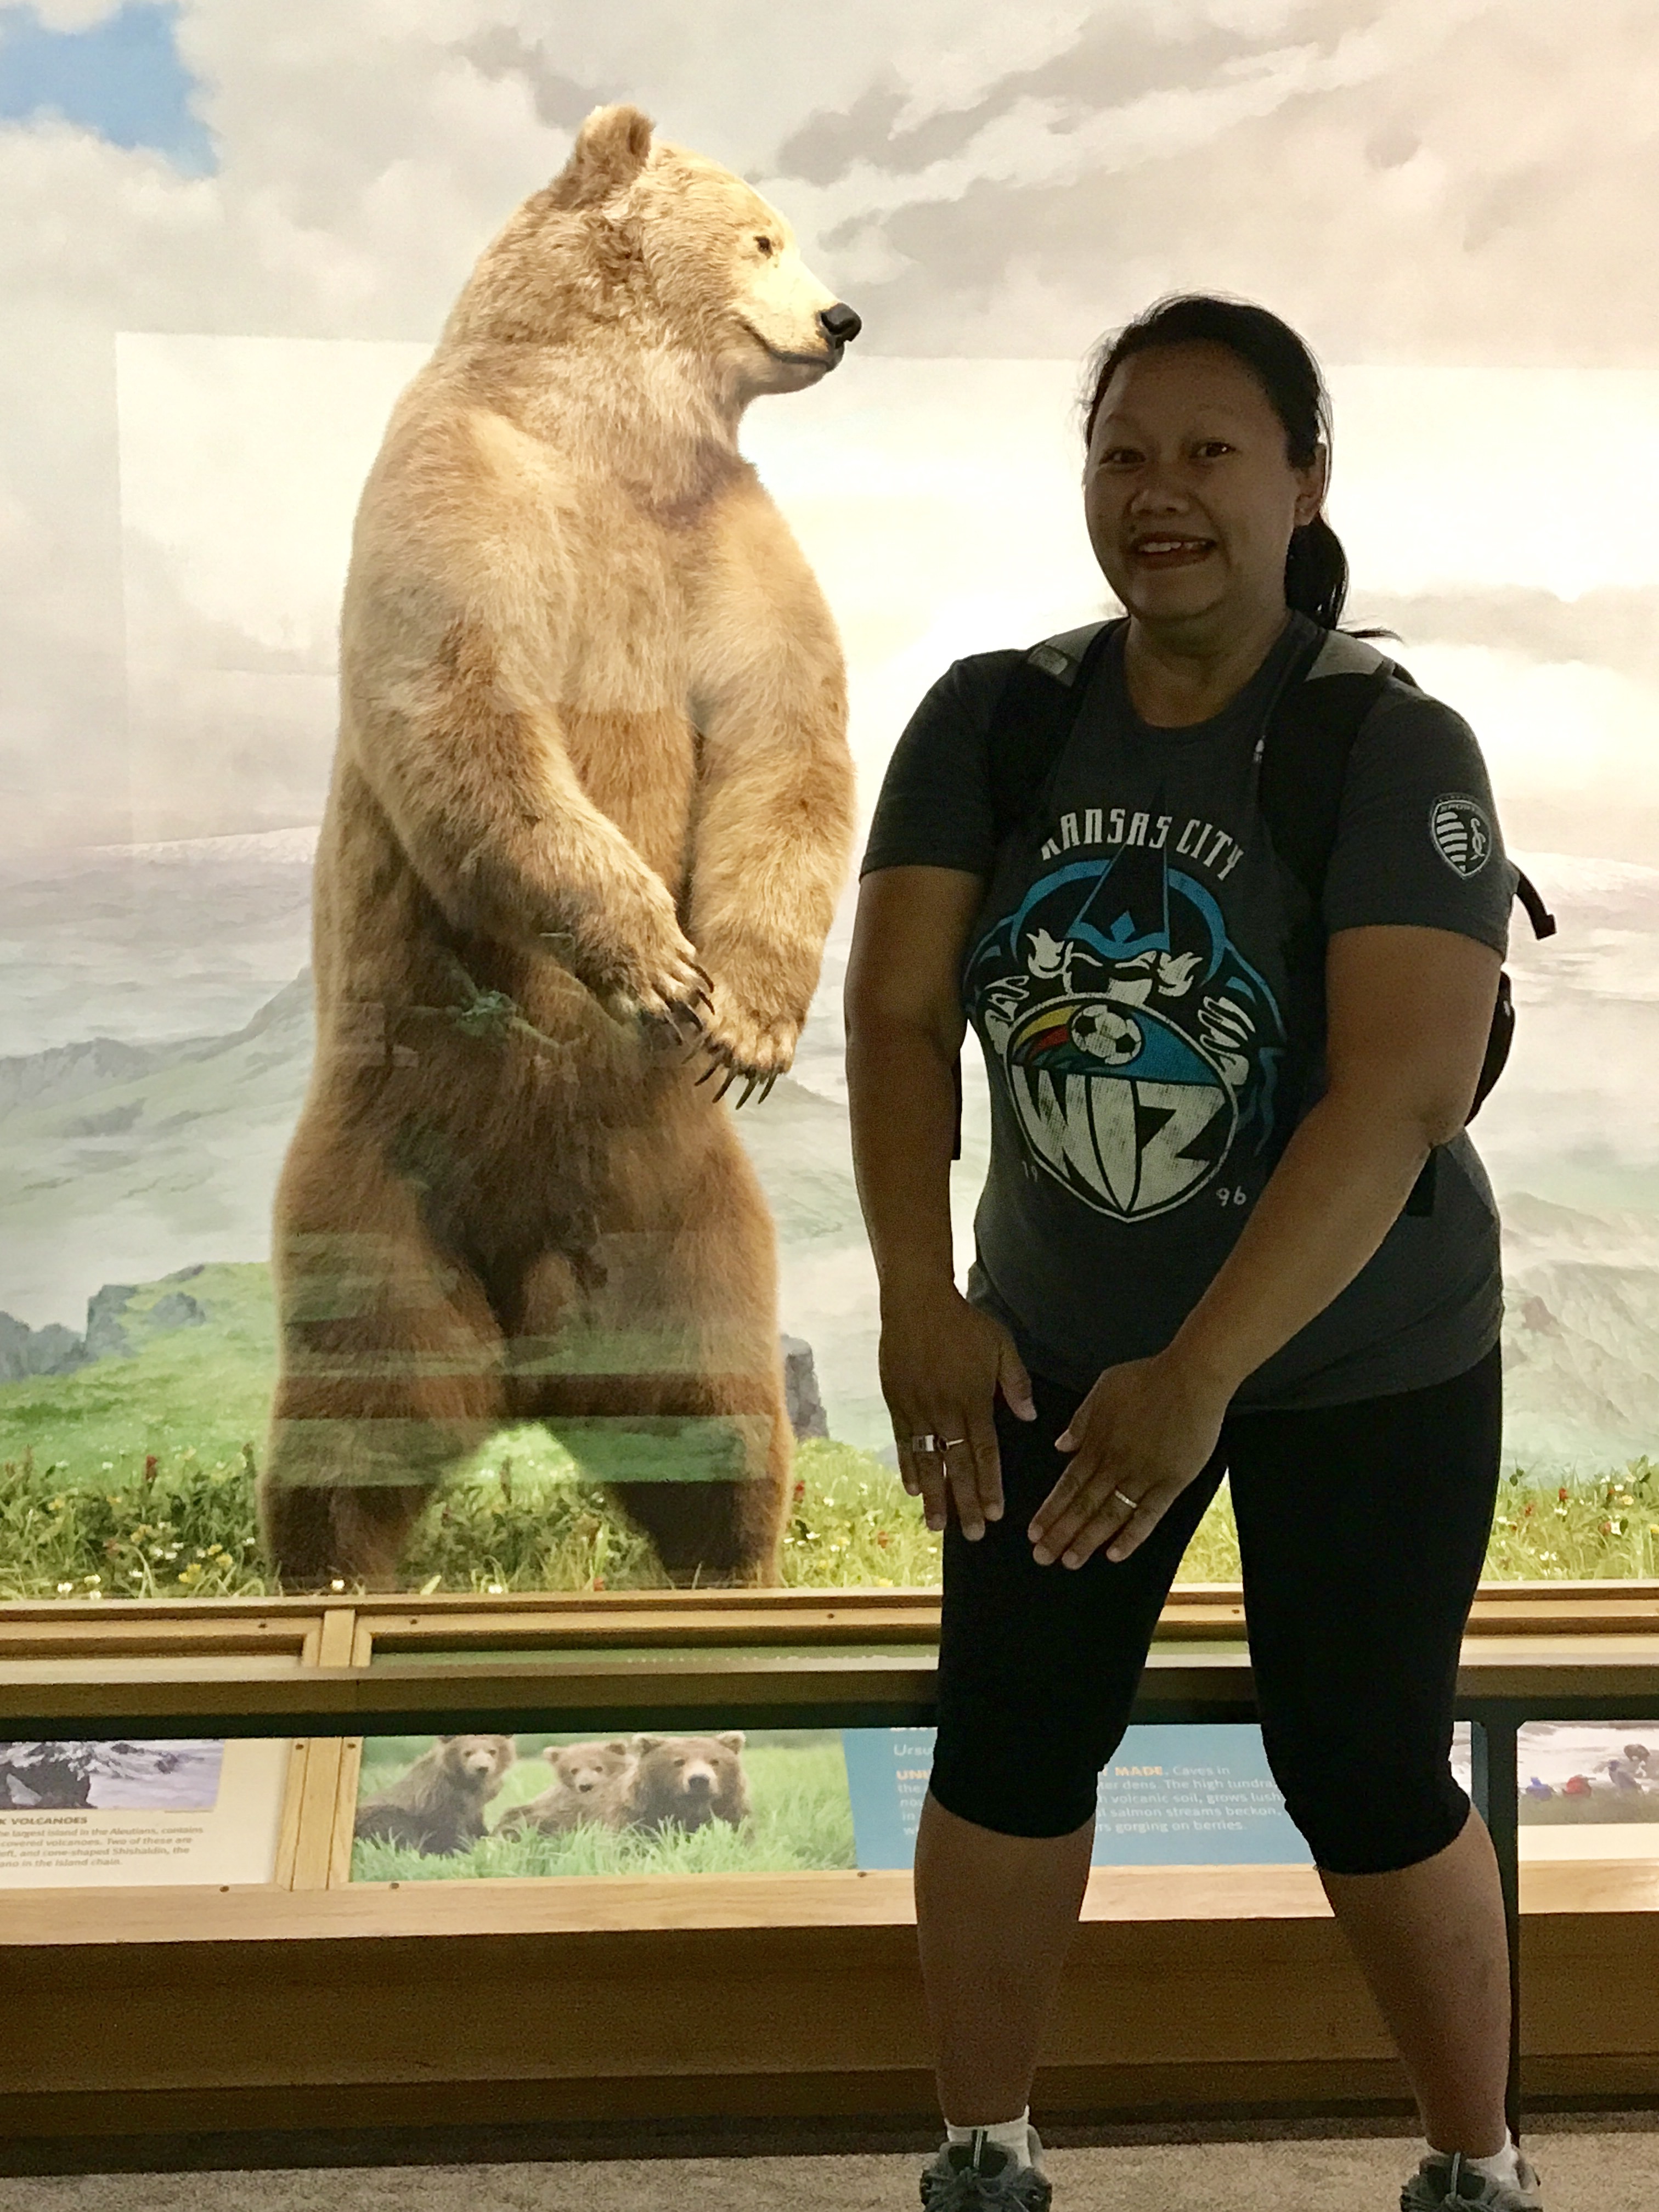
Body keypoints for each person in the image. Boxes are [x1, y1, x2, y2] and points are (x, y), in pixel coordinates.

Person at [845, 295, 1542, 2212]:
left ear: (1303, 482)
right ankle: (983, 2156)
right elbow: (897, 1015)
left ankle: (1476, 2168)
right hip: (1057, 1343)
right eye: (1124, 453)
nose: (1161, 492)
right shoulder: (995, 718)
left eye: (1212, 452)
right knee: (1012, 1740)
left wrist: (1202, 1377)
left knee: (1364, 1762)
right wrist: (919, 1300)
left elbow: (1399, 1094)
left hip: (1359, 1352)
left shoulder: (1390, 745)